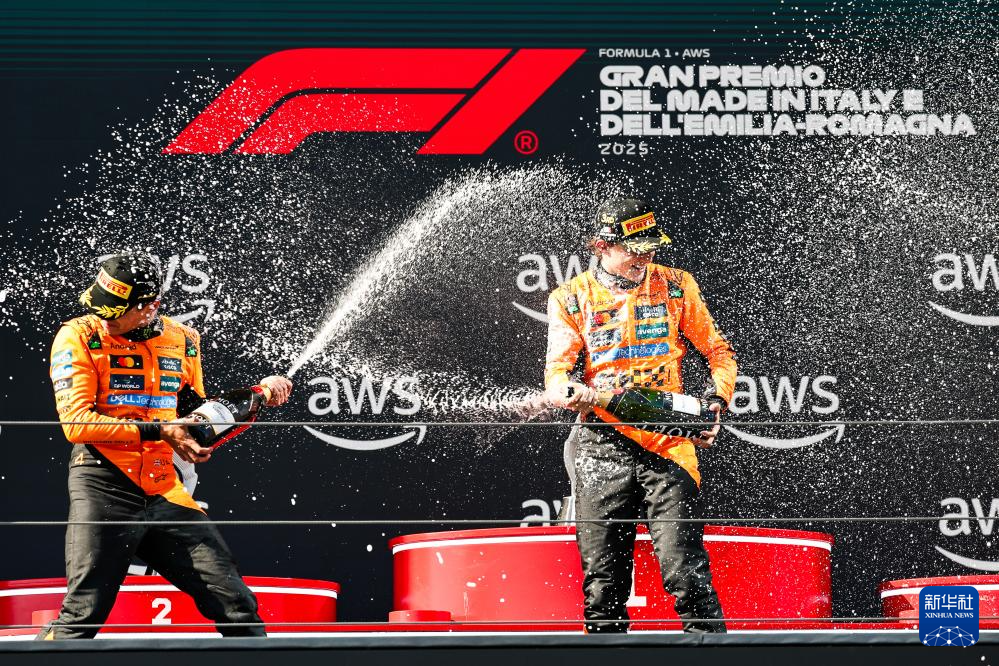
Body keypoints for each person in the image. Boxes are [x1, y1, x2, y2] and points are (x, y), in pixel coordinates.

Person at [40, 252, 293, 639]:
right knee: (82, 613)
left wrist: (258, 396)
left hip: (164, 489)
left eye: (114, 311)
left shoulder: (184, 340)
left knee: (237, 605)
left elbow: (197, 420)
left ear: (149, 307)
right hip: (103, 484)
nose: (103, 317)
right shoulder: (78, 335)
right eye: (100, 305)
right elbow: (76, 423)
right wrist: (162, 430)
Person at [545, 198, 737, 634]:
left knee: (685, 573)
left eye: (651, 248)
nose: (645, 258)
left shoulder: (676, 284)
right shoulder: (570, 297)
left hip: (667, 442)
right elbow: (556, 372)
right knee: (603, 585)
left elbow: (719, 352)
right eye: (635, 249)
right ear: (602, 246)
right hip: (599, 446)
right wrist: (565, 391)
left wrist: (715, 402)